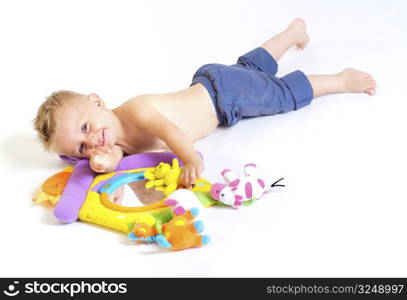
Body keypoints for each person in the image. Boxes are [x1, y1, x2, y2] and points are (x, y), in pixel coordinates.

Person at [33, 18, 377, 202]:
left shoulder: (134, 112)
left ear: (97, 101)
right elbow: (129, 172)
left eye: (84, 128)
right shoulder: (118, 145)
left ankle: (341, 80)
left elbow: (170, 134)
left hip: (224, 96)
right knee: (252, 70)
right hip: (215, 84)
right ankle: (293, 33)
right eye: (81, 147)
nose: (92, 142)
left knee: (281, 94)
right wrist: (106, 171)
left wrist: (191, 159)